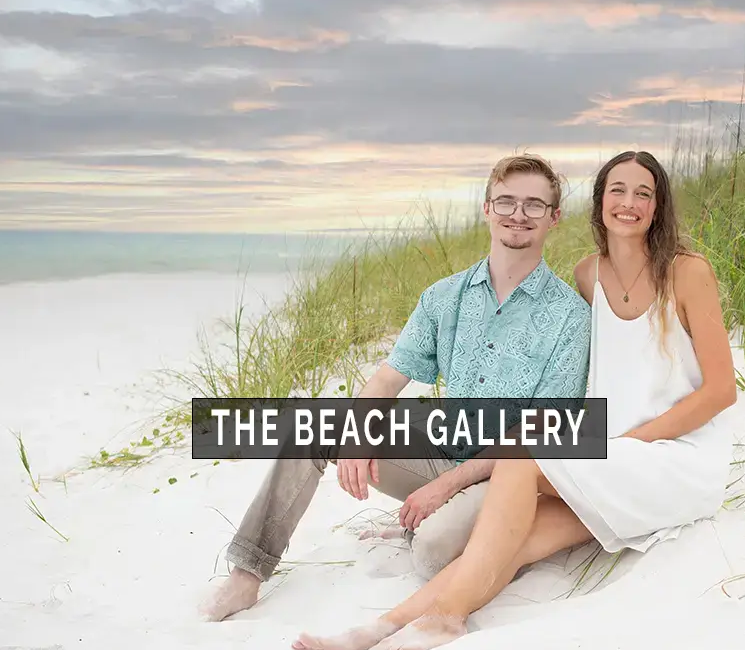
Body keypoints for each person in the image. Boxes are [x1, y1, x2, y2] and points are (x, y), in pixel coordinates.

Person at [292, 149, 737, 650]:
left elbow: (721, 390)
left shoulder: (688, 272)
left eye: (644, 193)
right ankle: (377, 628)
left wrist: (627, 445)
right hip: (611, 455)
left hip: (673, 459)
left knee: (521, 460)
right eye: (618, 190)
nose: (629, 203)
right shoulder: (590, 275)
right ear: (599, 203)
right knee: (512, 538)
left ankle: (447, 619)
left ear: (658, 206)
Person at [200, 153, 592, 622]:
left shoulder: (570, 317)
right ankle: (247, 574)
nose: (518, 215)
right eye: (506, 202)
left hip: (505, 474)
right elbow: (388, 379)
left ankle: (423, 525)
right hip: (443, 444)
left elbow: (542, 428)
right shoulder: (443, 297)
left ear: (554, 217)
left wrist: (445, 486)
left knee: (431, 553)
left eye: (534, 205)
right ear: (486, 209)